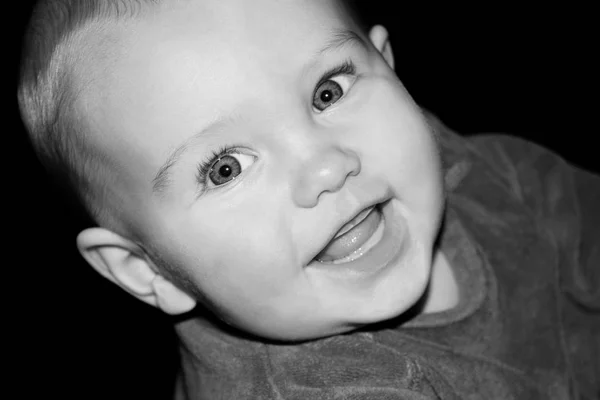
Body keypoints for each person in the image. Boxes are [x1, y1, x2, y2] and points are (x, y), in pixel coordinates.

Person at [17, 0, 599, 398]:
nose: (324, 164)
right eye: (224, 168)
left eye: (328, 91)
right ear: (147, 270)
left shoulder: (458, 167)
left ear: (391, 73)